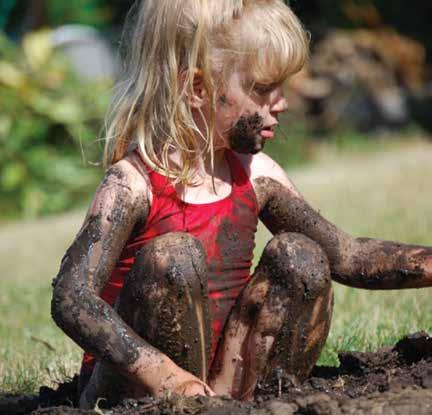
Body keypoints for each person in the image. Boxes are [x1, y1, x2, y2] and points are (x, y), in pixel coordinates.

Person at [51, 0, 432, 409]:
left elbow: (349, 256)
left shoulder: (256, 174)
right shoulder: (134, 183)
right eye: (264, 89)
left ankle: (258, 404)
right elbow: (72, 297)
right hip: (131, 392)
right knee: (173, 257)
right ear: (199, 89)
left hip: (221, 387)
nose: (281, 103)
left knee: (302, 256)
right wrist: (164, 375)